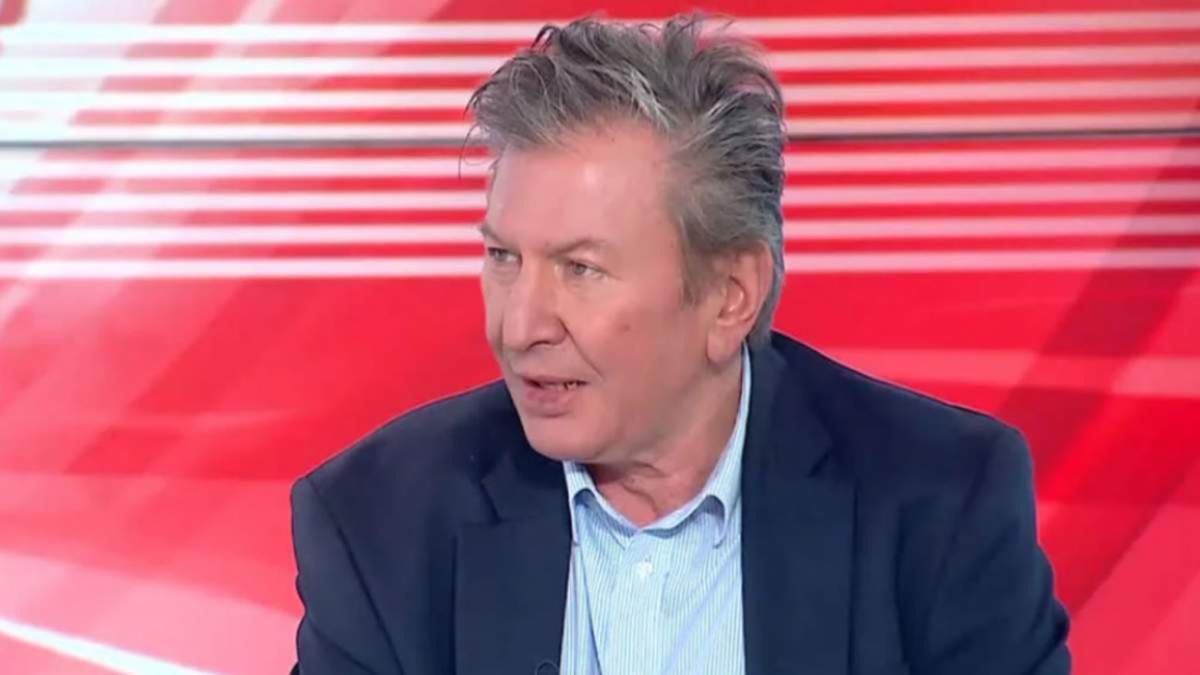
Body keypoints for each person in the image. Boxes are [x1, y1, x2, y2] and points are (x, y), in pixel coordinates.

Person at [289, 14, 1070, 675]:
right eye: (503, 257)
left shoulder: (936, 505)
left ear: (730, 296)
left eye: (581, 268)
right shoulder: (383, 521)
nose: (520, 326)